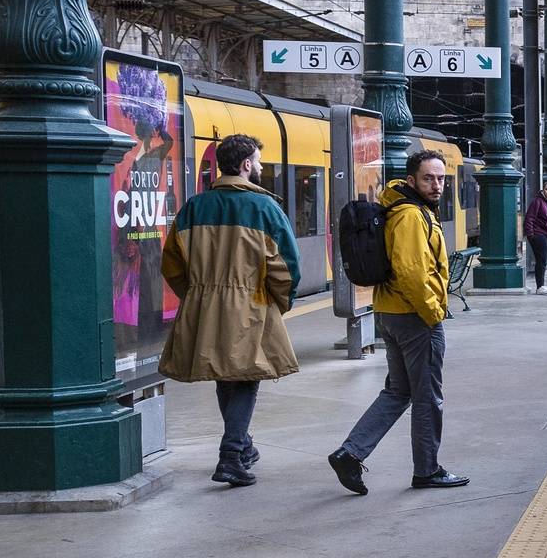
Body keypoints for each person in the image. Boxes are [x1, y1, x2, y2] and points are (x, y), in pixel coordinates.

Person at [159, 133, 299, 488]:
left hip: (205, 305)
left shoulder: (194, 207)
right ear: (246, 165)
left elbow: (172, 265)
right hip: (250, 303)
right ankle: (231, 454)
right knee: (247, 377)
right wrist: (280, 301)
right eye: (259, 162)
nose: (262, 168)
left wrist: (197, 297)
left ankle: (243, 445)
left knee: (226, 374)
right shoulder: (265, 209)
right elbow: (286, 266)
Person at [328, 150, 468, 494]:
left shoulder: (402, 209)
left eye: (440, 179)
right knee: (427, 397)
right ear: (411, 181)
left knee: (399, 391)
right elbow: (411, 270)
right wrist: (433, 311)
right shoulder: (410, 216)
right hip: (414, 317)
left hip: (392, 313)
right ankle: (427, 470)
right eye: (428, 179)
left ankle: (350, 453)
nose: (436, 186)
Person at [525, 179, 547, 295]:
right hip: (539, 234)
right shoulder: (537, 202)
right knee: (541, 260)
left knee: (544, 260)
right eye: (546, 189)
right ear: (543, 190)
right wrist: (531, 235)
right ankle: (540, 286)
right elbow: (529, 218)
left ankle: (541, 286)